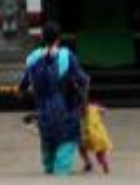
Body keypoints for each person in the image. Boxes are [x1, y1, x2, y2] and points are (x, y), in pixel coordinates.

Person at [19, 22, 89, 176]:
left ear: (42, 37)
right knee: (63, 159)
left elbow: (22, 86)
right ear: (59, 38)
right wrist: (84, 104)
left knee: (48, 162)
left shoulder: (33, 58)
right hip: (66, 114)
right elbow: (83, 80)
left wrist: (26, 92)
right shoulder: (66, 56)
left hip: (43, 115)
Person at [79, 92, 113, 175]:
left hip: (90, 135)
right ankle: (104, 164)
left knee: (82, 148)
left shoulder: (79, 111)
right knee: (99, 154)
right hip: (100, 133)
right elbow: (104, 111)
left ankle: (89, 163)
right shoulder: (94, 107)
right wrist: (101, 116)